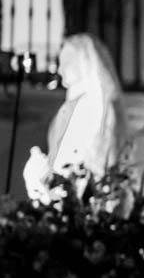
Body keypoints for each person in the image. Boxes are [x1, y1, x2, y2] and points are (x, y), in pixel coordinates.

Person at [23, 32, 128, 202]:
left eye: (67, 63)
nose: (60, 70)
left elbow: (96, 160)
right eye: (61, 63)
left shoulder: (97, 107)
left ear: (84, 62)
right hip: (63, 196)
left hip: (86, 197)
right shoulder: (67, 110)